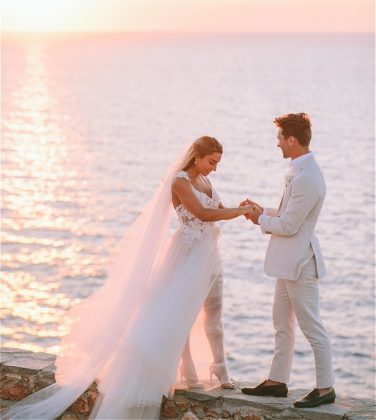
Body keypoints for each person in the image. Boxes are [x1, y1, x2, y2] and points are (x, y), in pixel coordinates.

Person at [4, 136, 251, 420]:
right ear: (197, 156)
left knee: (214, 313)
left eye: (218, 163)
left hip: (209, 254)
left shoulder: (206, 181)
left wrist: (237, 206)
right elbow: (203, 213)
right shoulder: (179, 181)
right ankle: (189, 372)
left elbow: (214, 207)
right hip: (188, 254)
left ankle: (221, 369)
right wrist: (240, 212)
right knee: (181, 315)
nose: (214, 169)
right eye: (212, 162)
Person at [240, 113, 335, 409]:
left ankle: (325, 388)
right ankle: (277, 381)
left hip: (300, 264)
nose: (277, 143)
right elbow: (286, 214)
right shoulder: (300, 170)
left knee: (311, 326)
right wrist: (262, 209)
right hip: (288, 261)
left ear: (291, 140)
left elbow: (290, 226)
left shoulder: (307, 177)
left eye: (279, 138)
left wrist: (259, 220)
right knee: (281, 321)